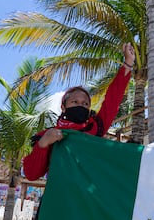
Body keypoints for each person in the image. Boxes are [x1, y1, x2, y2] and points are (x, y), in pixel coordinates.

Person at [23, 43, 135, 181]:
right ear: (63, 107)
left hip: (87, 198)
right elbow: (31, 174)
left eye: (85, 104)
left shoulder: (97, 127)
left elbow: (113, 98)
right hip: (59, 197)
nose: (80, 106)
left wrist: (128, 62)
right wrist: (43, 144)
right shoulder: (46, 136)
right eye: (74, 102)